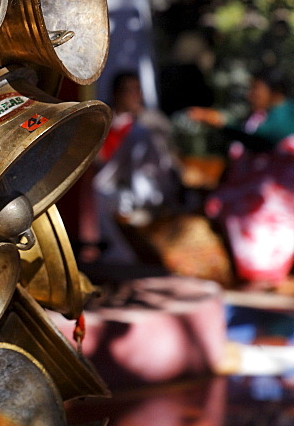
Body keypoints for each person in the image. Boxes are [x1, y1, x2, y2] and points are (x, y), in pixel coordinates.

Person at [188, 68, 294, 288]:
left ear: (275, 93)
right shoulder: (260, 116)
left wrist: (220, 124)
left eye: (256, 89)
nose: (251, 94)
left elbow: (262, 142)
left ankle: (264, 274)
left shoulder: (286, 114)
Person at [86, 71, 182, 264]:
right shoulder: (100, 120)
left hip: (144, 188)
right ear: (116, 93)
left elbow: (165, 159)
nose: (133, 96)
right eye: (127, 91)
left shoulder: (150, 122)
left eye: (136, 91)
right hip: (109, 184)